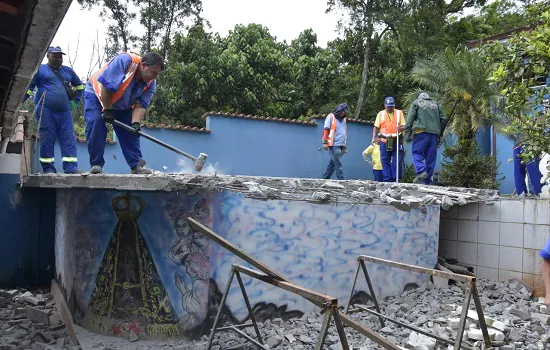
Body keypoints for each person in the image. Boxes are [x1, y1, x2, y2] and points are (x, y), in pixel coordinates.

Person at [85, 51, 164, 174]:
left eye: (157, 75)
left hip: (122, 104)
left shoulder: (151, 83)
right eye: (153, 72)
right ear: (143, 65)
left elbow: (141, 105)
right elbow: (105, 86)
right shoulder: (125, 61)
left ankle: (137, 165)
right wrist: (108, 110)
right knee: (96, 123)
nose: (154, 77)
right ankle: (96, 164)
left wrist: (135, 124)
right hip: (97, 94)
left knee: (130, 131)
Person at [22, 46, 84, 174]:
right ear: (47, 56)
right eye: (55, 55)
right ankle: (48, 169)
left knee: (68, 138)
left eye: (60, 56)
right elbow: (29, 89)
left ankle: (71, 168)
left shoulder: (68, 71)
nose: (58, 58)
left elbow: (79, 87)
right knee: (47, 138)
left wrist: (75, 102)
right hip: (45, 110)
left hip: (65, 112)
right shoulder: (40, 70)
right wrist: (19, 102)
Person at [405, 92, 447, 185]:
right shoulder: (436, 104)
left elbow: (410, 118)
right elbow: (444, 119)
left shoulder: (416, 102)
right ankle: (427, 181)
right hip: (434, 134)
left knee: (416, 152)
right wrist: (440, 132)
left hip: (421, 132)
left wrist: (407, 132)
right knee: (430, 158)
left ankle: (421, 171)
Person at [372, 97, 405, 182]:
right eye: (388, 107)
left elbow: (404, 125)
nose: (389, 108)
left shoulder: (399, 113)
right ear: (385, 106)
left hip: (396, 140)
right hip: (384, 140)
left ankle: (396, 179)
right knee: (385, 161)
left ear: (394, 106)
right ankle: (387, 180)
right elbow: (376, 127)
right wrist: (374, 138)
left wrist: (401, 128)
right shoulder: (380, 114)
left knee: (397, 160)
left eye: (391, 106)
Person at [322, 103, 349, 180]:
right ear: (340, 110)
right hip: (333, 144)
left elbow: (343, 131)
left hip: (341, 145)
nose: (345, 113)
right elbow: (326, 130)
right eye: (344, 111)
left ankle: (324, 179)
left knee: (333, 164)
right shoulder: (331, 117)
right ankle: (341, 180)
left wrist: (344, 144)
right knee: (338, 163)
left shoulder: (344, 119)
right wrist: (325, 142)